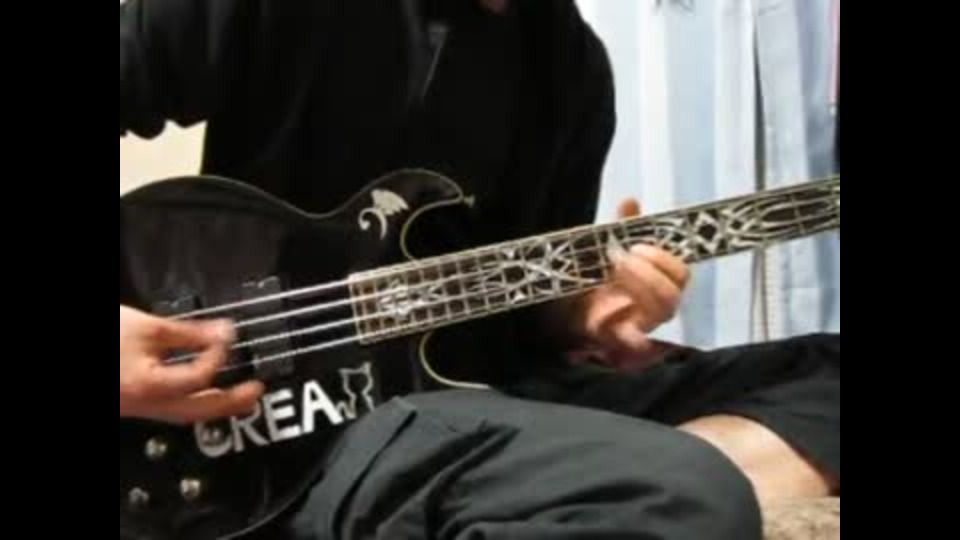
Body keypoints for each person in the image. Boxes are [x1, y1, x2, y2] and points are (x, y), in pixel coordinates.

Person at [120, 1, 839, 539]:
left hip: (477, 391)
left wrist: (581, 314)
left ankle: (579, 480)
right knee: (680, 493)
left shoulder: (571, 65)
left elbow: (523, 316)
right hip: (301, 428)